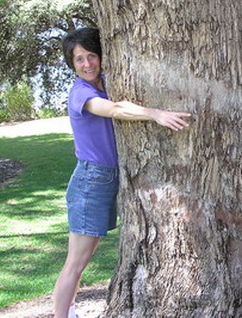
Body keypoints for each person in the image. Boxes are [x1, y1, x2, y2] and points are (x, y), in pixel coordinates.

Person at [53, 27, 191, 318]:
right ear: (72, 64)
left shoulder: (104, 82)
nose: (87, 64)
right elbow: (115, 109)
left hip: (106, 177)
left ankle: (70, 311)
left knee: (81, 260)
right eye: (79, 59)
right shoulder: (82, 93)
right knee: (77, 262)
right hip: (92, 180)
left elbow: (119, 102)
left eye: (92, 56)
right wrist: (157, 114)